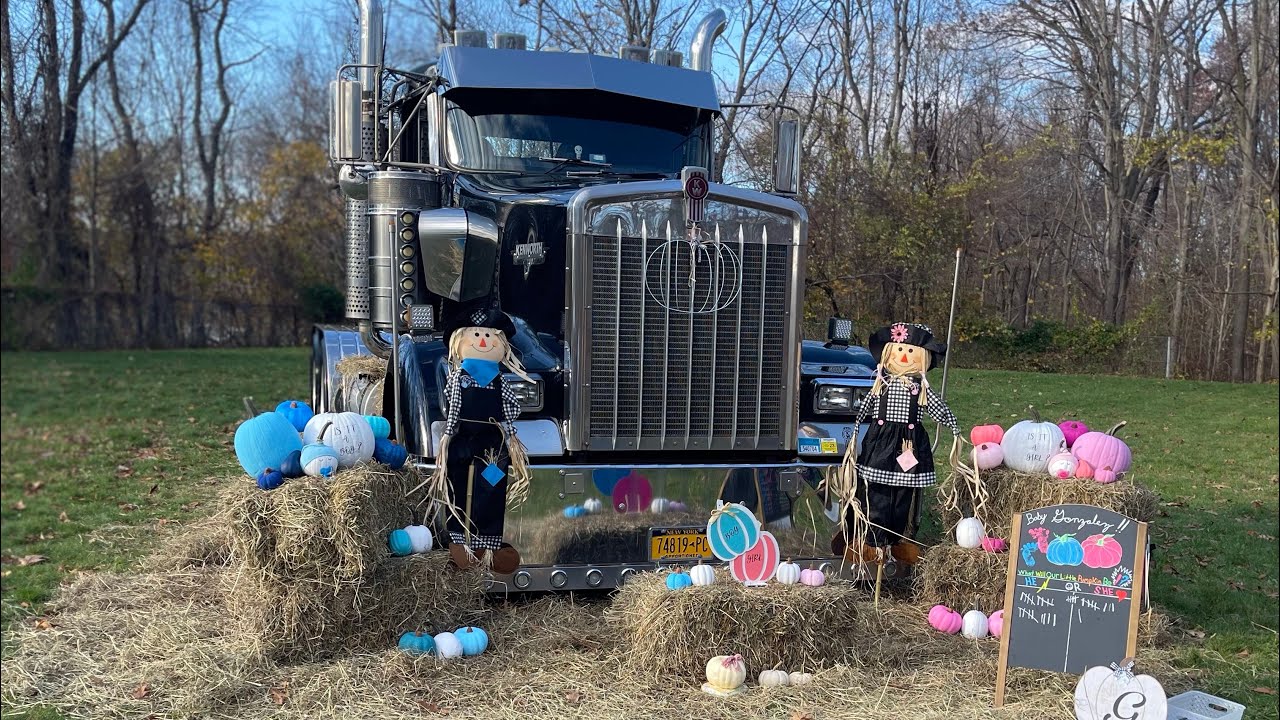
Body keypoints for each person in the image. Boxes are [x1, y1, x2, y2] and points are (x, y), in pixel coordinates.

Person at [832, 322, 965, 567]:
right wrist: (855, 432)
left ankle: (896, 542)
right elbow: (865, 408)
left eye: (911, 352)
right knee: (877, 495)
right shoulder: (881, 386)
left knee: (902, 498)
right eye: (900, 351)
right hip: (882, 445)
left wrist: (954, 428)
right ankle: (872, 542)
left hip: (909, 446)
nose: (904, 356)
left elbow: (938, 409)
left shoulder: (920, 390)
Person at [430, 304, 532, 574]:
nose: (483, 341)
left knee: (492, 487)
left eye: (489, 336)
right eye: (475, 336)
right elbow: (452, 407)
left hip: (492, 441)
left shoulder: (500, 381)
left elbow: (512, 408)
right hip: (464, 436)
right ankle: (459, 542)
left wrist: (510, 436)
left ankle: (489, 546)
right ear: (460, 341)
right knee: (457, 482)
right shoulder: (459, 377)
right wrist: (448, 436)